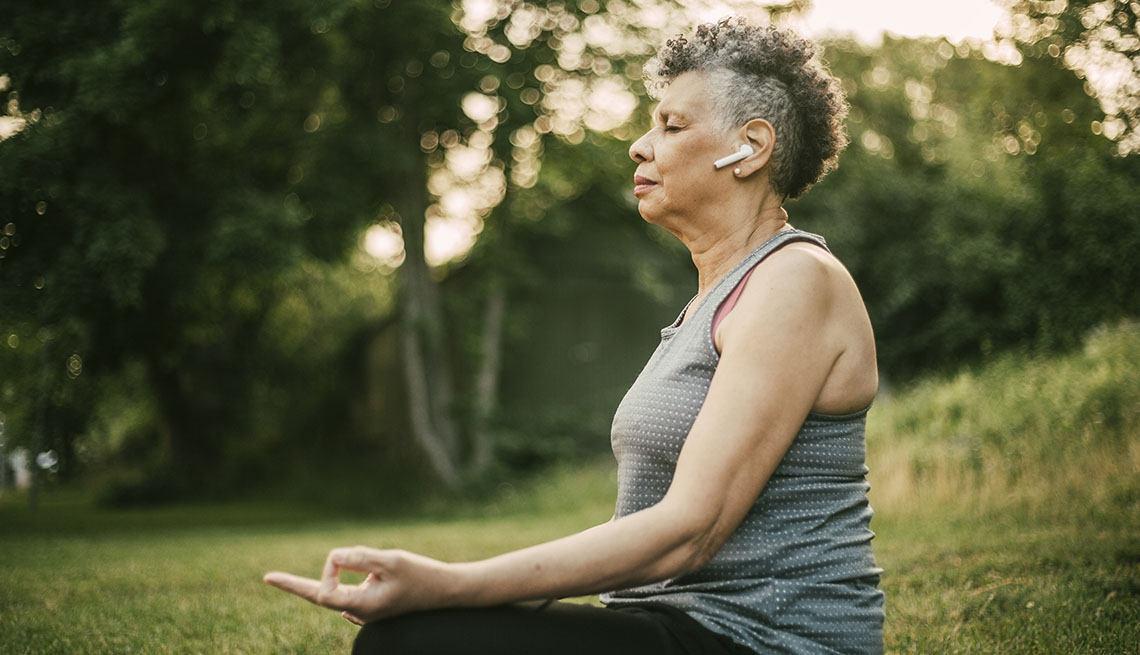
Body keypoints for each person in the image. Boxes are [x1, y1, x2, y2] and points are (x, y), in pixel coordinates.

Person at [265, 17, 884, 655]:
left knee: (413, 642)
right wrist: (514, 595)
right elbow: (645, 526)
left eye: (672, 126)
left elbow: (689, 532)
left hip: (766, 641)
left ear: (750, 148)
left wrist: (453, 584)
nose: (640, 147)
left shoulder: (796, 280)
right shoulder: (714, 299)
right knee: (408, 636)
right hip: (677, 626)